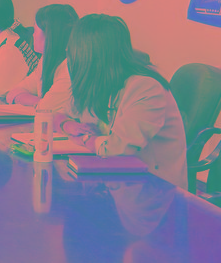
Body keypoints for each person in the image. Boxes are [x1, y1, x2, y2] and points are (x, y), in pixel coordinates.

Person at [56, 14, 187, 189]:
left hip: (151, 189)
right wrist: (68, 125)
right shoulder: (98, 83)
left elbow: (118, 149)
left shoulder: (145, 87)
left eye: (71, 50)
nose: (69, 56)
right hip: (114, 182)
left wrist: (86, 138)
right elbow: (58, 116)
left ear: (87, 55)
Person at [5, 4, 79, 113]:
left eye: (35, 30)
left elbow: (45, 108)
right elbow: (12, 93)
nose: (33, 35)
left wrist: (41, 103)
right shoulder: (45, 60)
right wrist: (39, 102)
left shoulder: (69, 67)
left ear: (49, 34)